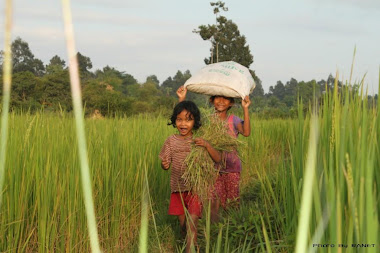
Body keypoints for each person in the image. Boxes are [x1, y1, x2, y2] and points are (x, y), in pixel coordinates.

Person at [177, 86, 251, 222]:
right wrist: (182, 99)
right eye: (217, 97)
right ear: (212, 100)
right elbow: (185, 121)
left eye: (226, 98)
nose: (221, 101)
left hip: (232, 169)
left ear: (231, 103)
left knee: (232, 203)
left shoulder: (233, 120)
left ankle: (233, 231)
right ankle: (214, 232)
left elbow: (246, 132)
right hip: (212, 169)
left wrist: (245, 108)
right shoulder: (207, 120)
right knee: (213, 203)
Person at [159, 100, 221, 252]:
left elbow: (218, 159)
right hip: (177, 190)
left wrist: (207, 145)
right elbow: (164, 162)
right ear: (174, 121)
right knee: (184, 227)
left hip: (195, 190)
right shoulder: (170, 141)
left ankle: (191, 248)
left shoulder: (199, 140)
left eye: (188, 119)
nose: (183, 124)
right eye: (179, 119)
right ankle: (191, 244)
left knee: (192, 224)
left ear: (195, 122)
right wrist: (164, 165)